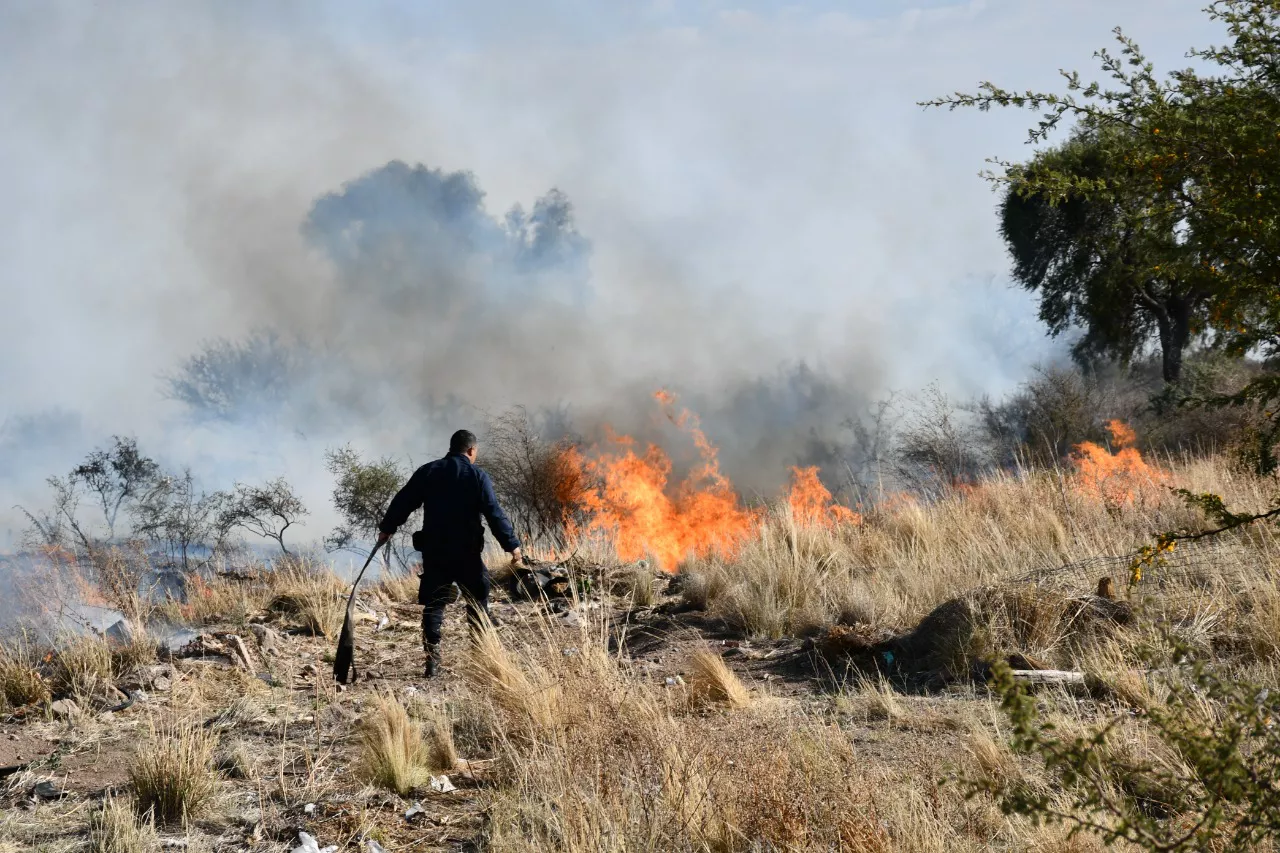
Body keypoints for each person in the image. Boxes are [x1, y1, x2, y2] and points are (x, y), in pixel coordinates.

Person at [376, 429, 523, 677]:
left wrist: (387, 529)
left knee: (434, 605)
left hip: (435, 552)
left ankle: (432, 663)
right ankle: (481, 653)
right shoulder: (477, 476)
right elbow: (494, 513)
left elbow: (403, 501)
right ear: (471, 450)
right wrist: (512, 546)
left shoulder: (428, 471)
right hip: (467, 553)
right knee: (478, 601)